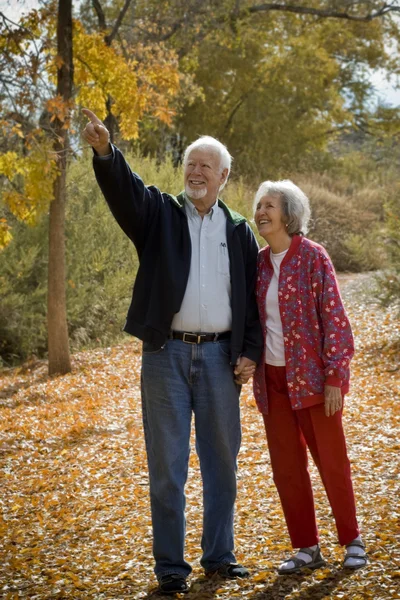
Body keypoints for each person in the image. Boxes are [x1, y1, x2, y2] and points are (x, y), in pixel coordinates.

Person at [82, 109, 263, 595]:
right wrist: (106, 153)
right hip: (166, 357)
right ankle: (170, 568)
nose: (196, 172)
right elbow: (127, 192)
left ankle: (220, 557)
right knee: (167, 465)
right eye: (190, 164)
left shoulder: (239, 230)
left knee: (222, 461)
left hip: (222, 360)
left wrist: (250, 351)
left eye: (207, 166)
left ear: (224, 176)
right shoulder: (159, 215)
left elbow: (251, 300)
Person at [252, 180, 368, 575]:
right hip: (273, 381)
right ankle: (306, 546)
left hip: (317, 382)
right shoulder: (259, 263)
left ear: (289, 214)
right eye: (258, 207)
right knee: (286, 468)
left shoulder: (314, 257)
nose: (261, 213)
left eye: (269, 206)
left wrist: (336, 374)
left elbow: (335, 319)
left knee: (332, 462)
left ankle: (352, 540)